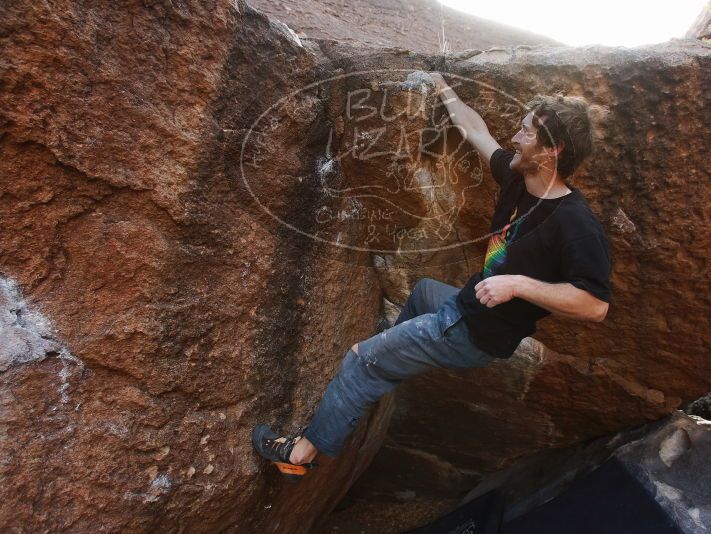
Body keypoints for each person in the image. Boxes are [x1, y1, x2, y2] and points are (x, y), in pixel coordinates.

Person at [252, 72, 612, 480]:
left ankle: (297, 455)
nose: (515, 136)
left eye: (526, 132)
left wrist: (518, 284)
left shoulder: (575, 224)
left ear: (552, 150)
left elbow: (595, 305)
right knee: (422, 292)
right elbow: (476, 129)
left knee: (360, 361)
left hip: (472, 332)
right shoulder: (519, 177)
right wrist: (442, 85)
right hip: (466, 306)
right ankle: (391, 361)